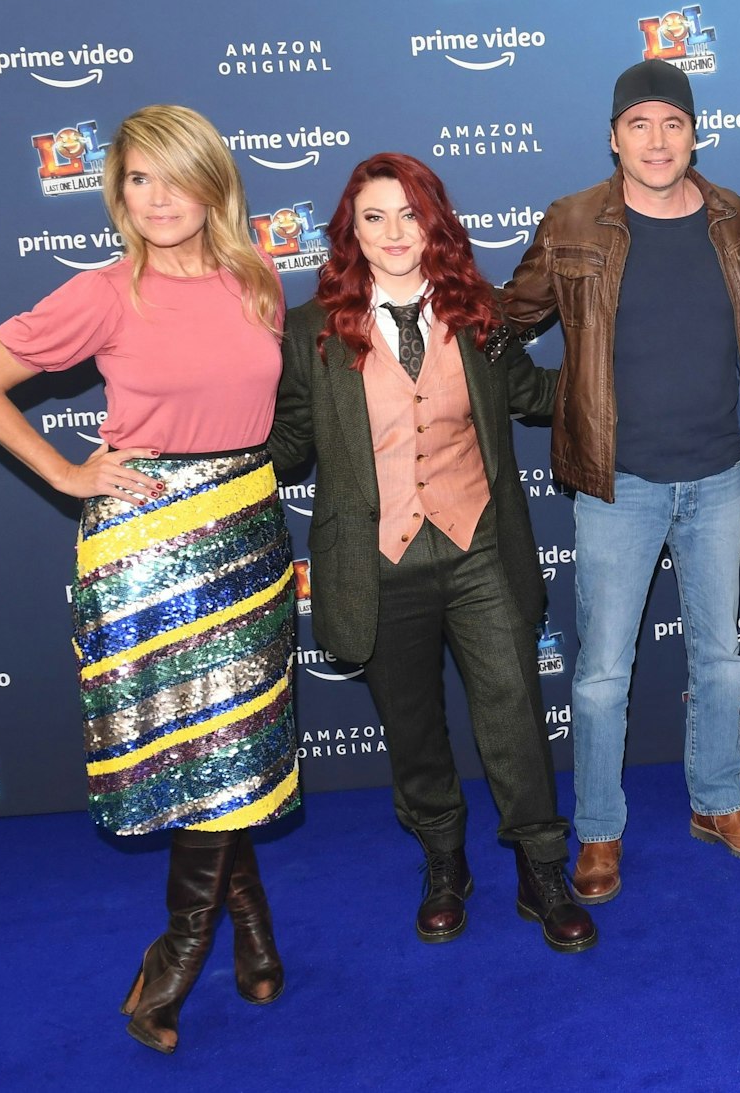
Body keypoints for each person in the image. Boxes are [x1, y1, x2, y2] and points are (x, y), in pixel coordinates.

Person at [0, 104, 297, 1053]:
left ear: (214, 183)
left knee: (238, 739)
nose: (155, 198)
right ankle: (181, 950)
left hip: (248, 525)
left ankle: (253, 928)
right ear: (118, 191)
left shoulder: (255, 277)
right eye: (136, 179)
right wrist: (67, 473)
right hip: (146, 546)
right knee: (199, 744)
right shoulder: (104, 292)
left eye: (174, 176)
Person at [265, 153, 594, 953]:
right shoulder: (312, 333)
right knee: (411, 727)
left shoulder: (475, 312)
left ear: (434, 222)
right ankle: (444, 861)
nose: (393, 233)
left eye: (408, 214)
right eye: (373, 218)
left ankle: (540, 868)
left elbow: (533, 395)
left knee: (514, 711)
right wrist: (202, 427)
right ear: (351, 233)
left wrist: (621, 364)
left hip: (480, 543)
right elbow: (290, 446)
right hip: (378, 562)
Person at [498, 59, 740, 905]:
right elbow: (505, 323)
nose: (657, 141)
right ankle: (597, 829)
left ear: (695, 132)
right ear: (613, 135)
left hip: (718, 470)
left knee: (721, 657)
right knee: (600, 673)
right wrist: (560, 400)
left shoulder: (735, 220)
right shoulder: (573, 221)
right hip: (615, 482)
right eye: (639, 124)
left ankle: (719, 802)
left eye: (673, 123)